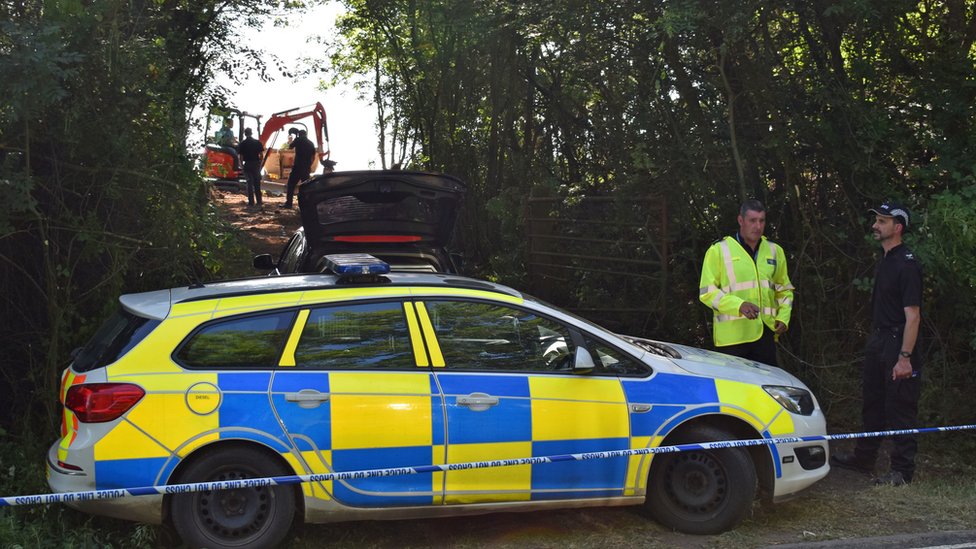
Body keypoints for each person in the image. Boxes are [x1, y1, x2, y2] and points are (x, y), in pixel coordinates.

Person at [831, 202, 922, 487]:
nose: (875, 226)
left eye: (882, 222)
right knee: (872, 402)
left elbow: (913, 316)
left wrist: (905, 357)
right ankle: (864, 457)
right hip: (878, 339)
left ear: (898, 227)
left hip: (898, 342)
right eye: (876, 220)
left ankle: (902, 472)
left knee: (900, 406)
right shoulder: (884, 260)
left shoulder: (907, 264)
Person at [698, 199, 794, 366]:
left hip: (765, 335)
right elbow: (707, 292)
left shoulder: (774, 251)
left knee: (766, 388)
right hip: (732, 339)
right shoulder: (719, 250)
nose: (757, 226)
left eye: (761, 221)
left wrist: (784, 317)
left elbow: (784, 289)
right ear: (741, 221)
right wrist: (738, 305)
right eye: (752, 220)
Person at [281, 129, 316, 209]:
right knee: (306, 187)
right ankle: (307, 205)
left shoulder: (298, 139)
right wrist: (309, 165)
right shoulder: (311, 143)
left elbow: (290, 146)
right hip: (306, 168)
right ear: (306, 134)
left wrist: (294, 138)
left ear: (299, 134)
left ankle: (289, 204)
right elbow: (313, 157)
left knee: (291, 185)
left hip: (297, 167)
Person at [238, 128, 264, 208]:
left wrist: (241, 165)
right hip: (256, 164)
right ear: (251, 133)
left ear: (245, 134)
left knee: (249, 183)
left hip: (248, 164)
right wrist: (260, 163)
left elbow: (241, 156)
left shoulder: (242, 143)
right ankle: (259, 202)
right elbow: (261, 155)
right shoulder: (257, 142)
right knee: (257, 183)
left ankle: (251, 202)